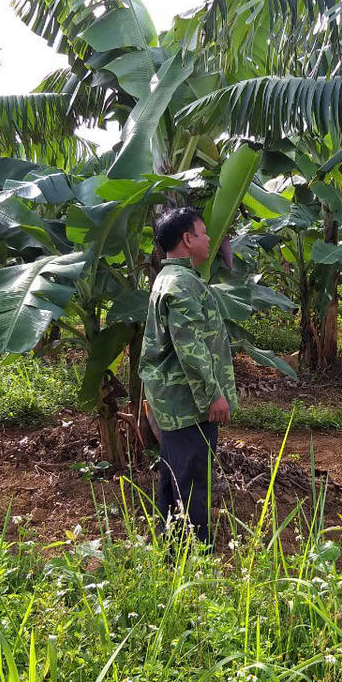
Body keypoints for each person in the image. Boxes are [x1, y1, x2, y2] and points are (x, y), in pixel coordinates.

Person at [139, 207, 237, 547]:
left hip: (174, 399)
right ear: (187, 238)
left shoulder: (170, 279)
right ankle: (194, 557)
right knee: (193, 479)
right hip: (188, 401)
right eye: (204, 232)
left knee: (174, 476)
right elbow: (189, 345)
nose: (210, 238)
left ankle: (171, 551)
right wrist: (213, 394)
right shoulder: (181, 284)